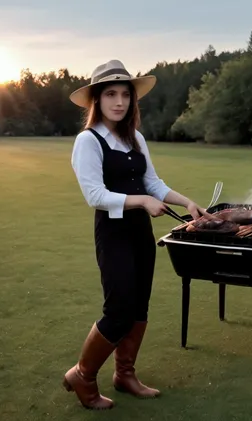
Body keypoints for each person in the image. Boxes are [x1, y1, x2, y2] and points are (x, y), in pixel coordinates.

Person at [62, 59, 211, 410]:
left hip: (139, 234)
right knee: (118, 309)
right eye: (111, 94)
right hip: (113, 234)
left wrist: (187, 202)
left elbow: (153, 183)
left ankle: (125, 374)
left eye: (125, 95)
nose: (119, 101)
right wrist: (142, 201)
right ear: (96, 100)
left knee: (139, 306)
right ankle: (82, 375)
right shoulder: (88, 141)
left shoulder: (135, 137)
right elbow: (94, 196)